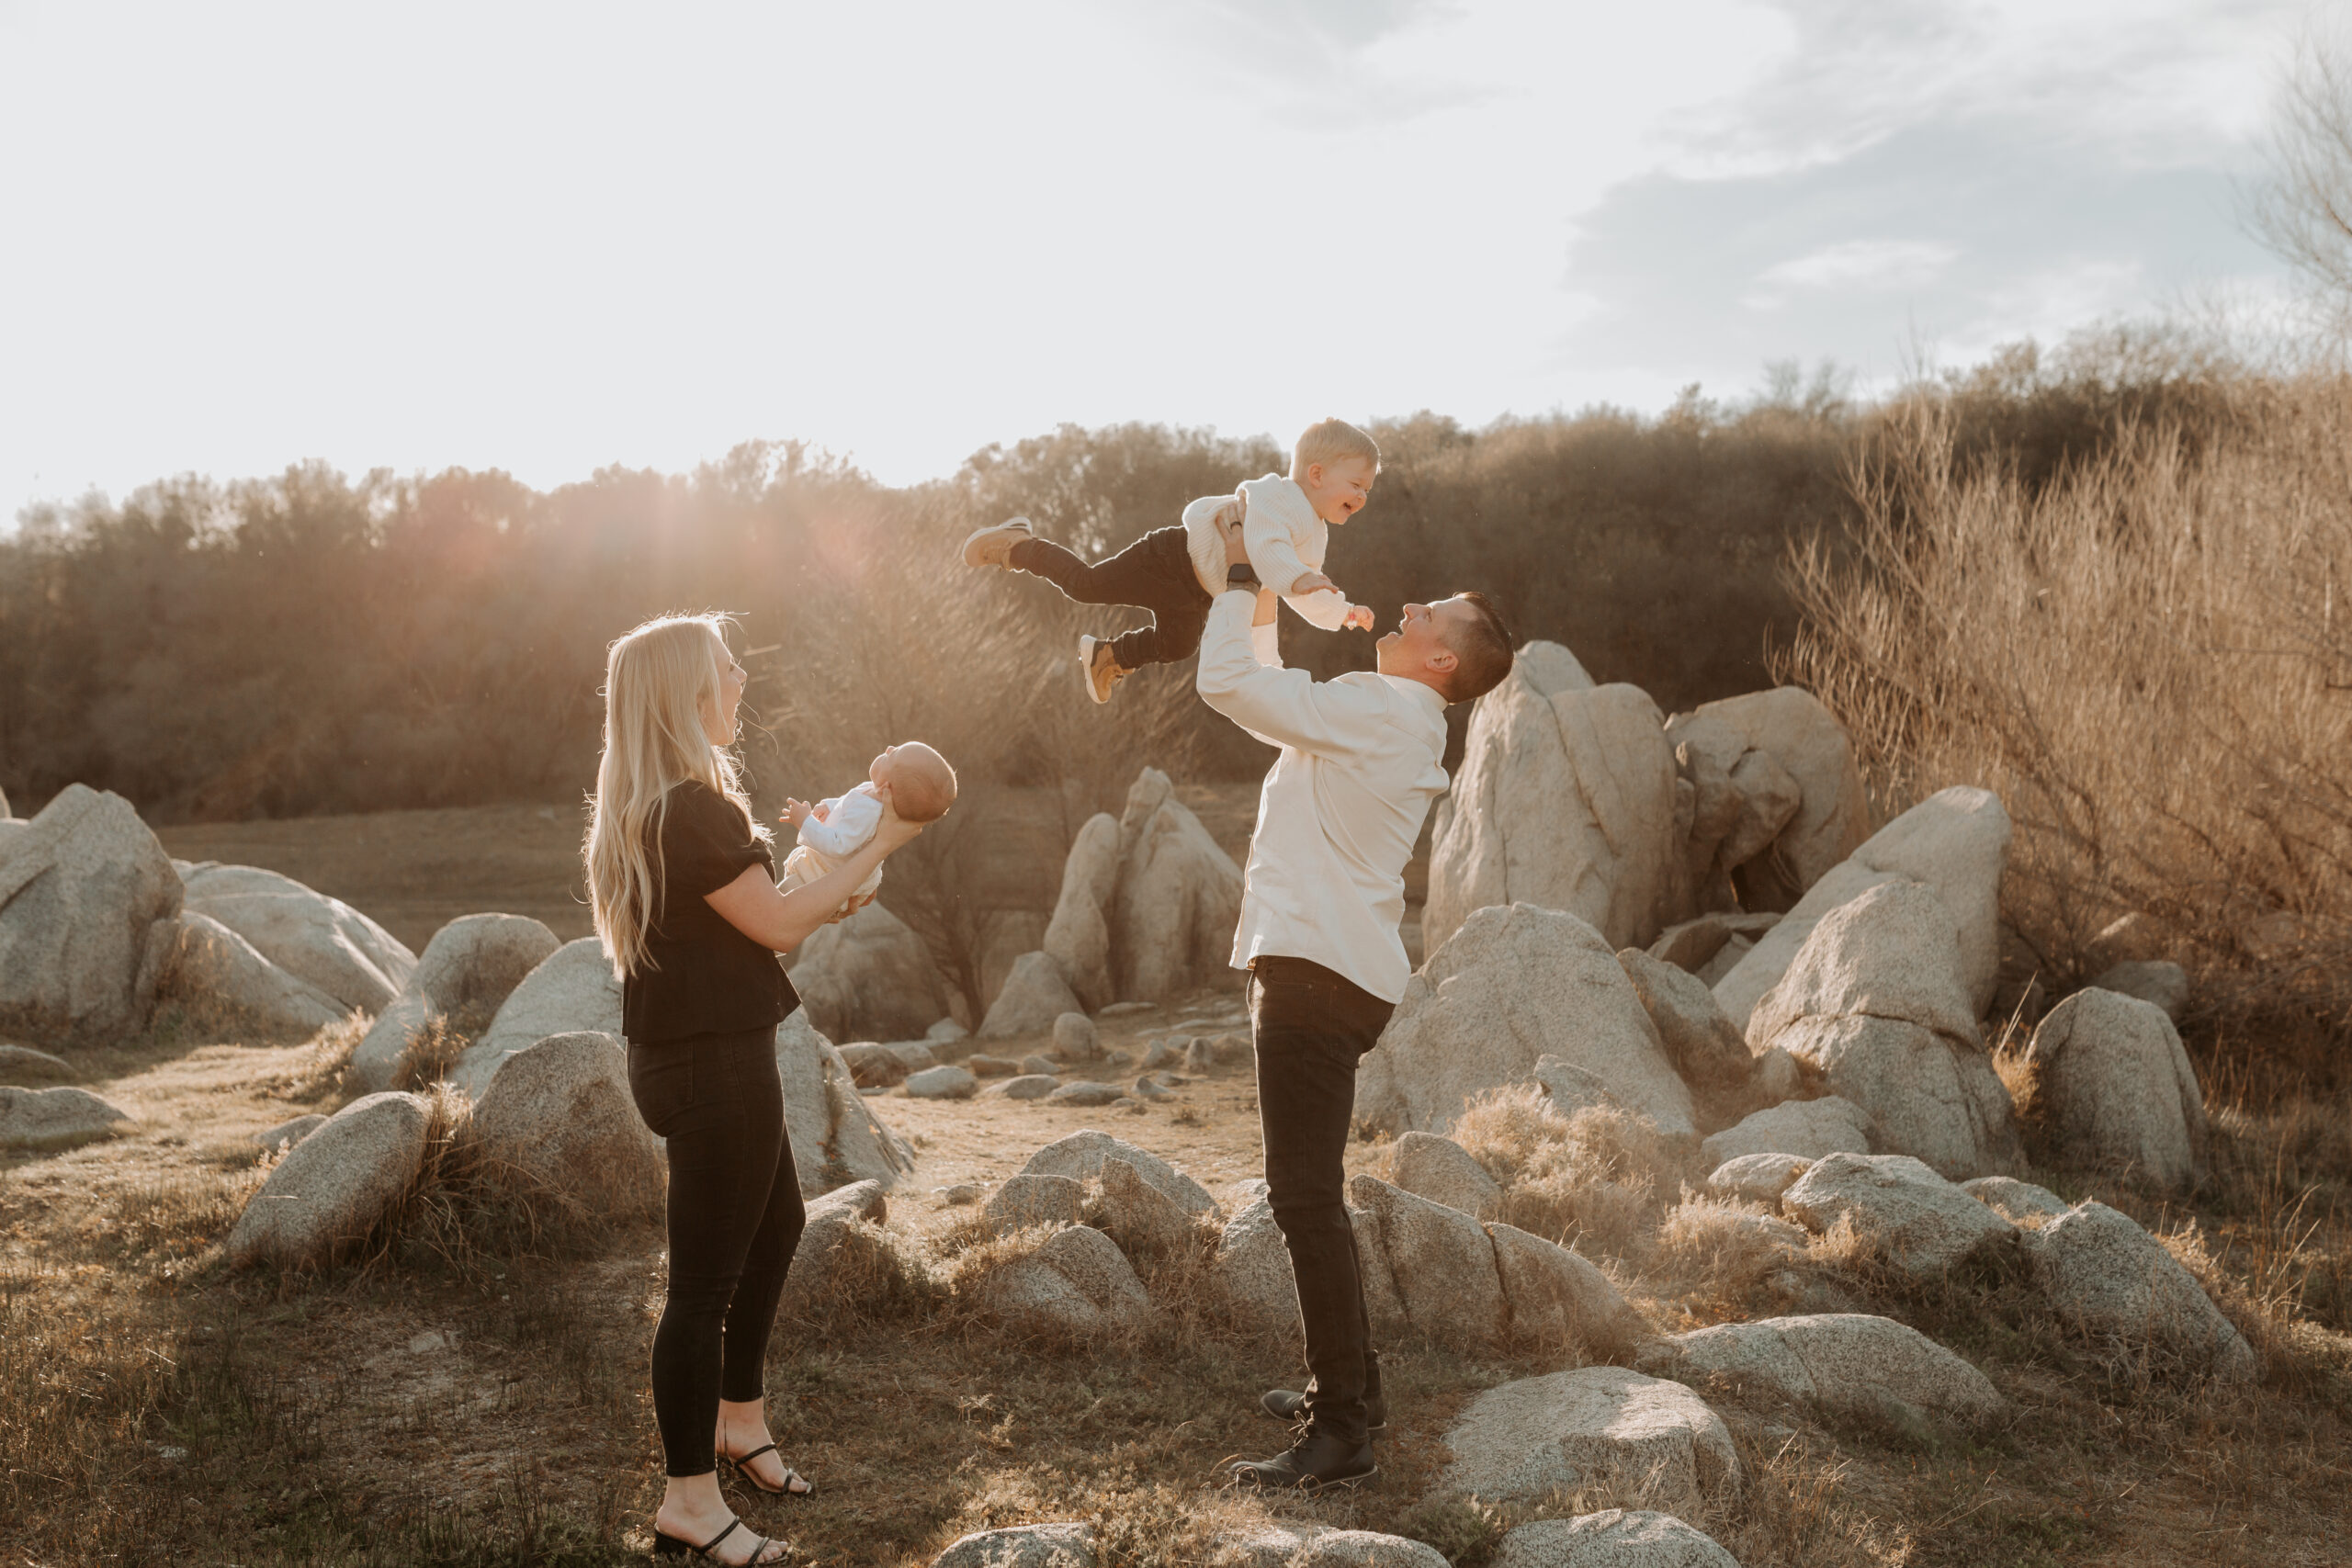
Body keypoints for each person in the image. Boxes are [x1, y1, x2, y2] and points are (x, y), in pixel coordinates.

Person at [583, 613, 930, 1564]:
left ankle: (738, 1423)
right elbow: (778, 926)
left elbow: (760, 923)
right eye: (726, 667)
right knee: (698, 1291)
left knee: (776, 1228)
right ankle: (689, 1506)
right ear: (688, 691)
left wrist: (847, 868)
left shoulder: (663, 804)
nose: (742, 678)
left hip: (694, 1059)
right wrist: (882, 841)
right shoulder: (692, 810)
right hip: (713, 1069)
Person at [1194, 525, 1516, 1493]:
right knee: (1310, 1197)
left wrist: (1242, 575)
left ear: (1442, 657)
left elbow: (1228, 689)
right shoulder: (1390, 714)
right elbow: (1266, 696)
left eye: (1432, 612)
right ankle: (1355, 1391)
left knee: (1301, 1199)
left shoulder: (1381, 708)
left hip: (1316, 973)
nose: (1409, 607)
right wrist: (1253, 601)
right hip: (1336, 968)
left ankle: (1341, 1433)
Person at [957, 417, 1383, 705]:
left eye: (1368, 489)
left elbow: (1302, 586)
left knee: (1180, 647)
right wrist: (1300, 580)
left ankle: (1108, 655)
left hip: (1198, 592)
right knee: (1085, 586)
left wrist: (1340, 610)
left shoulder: (1316, 532)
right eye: (1357, 484)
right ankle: (1020, 545)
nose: (1363, 497)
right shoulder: (1277, 497)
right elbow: (1267, 548)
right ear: (1316, 475)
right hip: (1170, 558)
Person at [777, 740, 957, 918]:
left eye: (891, 755)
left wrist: (804, 821)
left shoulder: (869, 813)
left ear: (887, 787)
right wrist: (829, 806)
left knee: (782, 901)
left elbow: (837, 844)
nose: (888, 748)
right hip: (826, 869)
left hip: (823, 876)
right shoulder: (871, 791)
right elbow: (848, 801)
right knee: (780, 898)